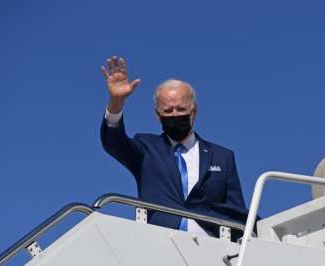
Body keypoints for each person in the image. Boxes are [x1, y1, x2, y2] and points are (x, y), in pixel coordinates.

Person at [100, 56, 249, 238]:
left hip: (213, 251)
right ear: (157, 115)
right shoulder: (147, 149)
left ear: (194, 111)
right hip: (160, 246)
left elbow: (236, 211)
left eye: (181, 109)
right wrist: (116, 102)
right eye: (168, 111)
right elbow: (113, 142)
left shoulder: (222, 157)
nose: (175, 114)